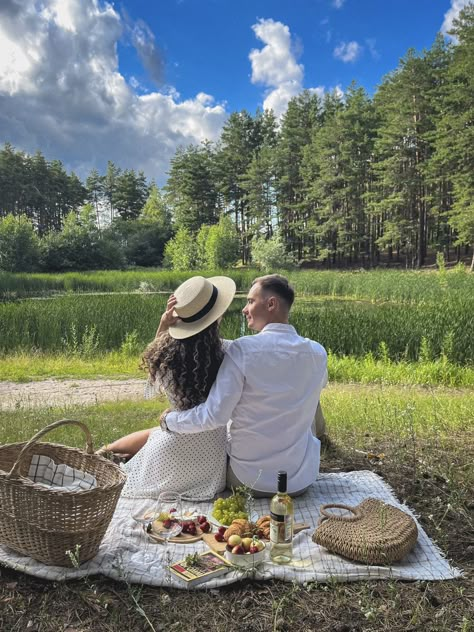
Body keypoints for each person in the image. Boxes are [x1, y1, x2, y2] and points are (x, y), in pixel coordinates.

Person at [160, 274, 328, 497]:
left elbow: (213, 416)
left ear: (271, 304)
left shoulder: (243, 350)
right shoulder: (317, 352)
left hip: (249, 481)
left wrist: (169, 421)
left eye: (250, 301)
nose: (244, 309)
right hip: (299, 481)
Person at [103, 275, 236, 500]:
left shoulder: (165, 357)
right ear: (217, 316)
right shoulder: (231, 353)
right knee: (156, 433)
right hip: (209, 468)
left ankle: (104, 454)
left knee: (155, 436)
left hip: (167, 455)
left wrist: (164, 326)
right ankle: (107, 452)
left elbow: (152, 385)